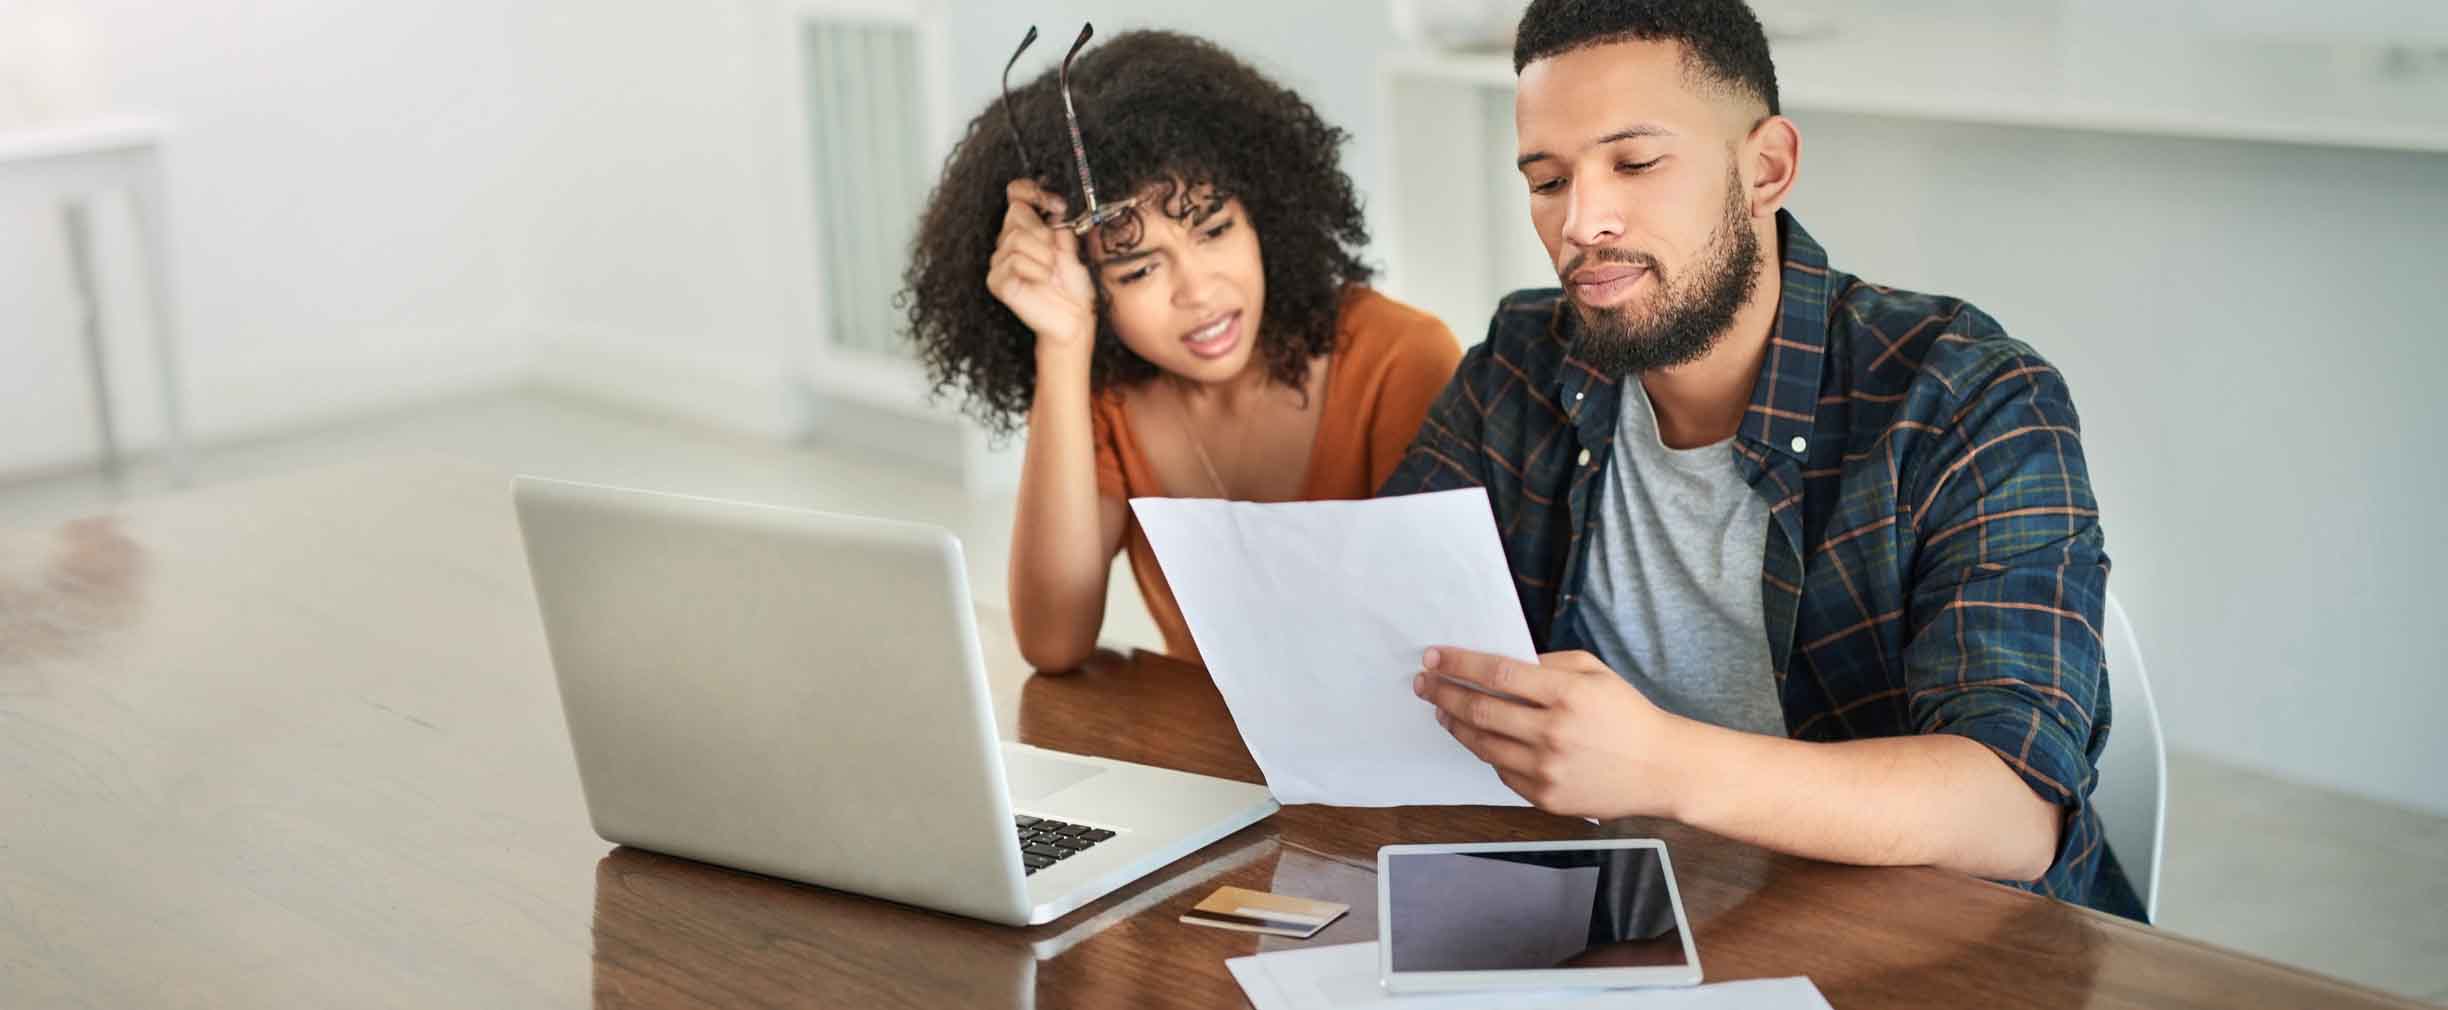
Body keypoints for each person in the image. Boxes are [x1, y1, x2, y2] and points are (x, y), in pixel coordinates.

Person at [1380, 0, 2139, 918]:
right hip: (1614, 912)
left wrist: (1657, 766)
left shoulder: (1967, 398)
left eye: (1635, 162)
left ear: (1765, 168)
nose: (1583, 222)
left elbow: (2009, 813)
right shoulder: (1526, 360)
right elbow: (1392, 622)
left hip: (1926, 941)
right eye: (1547, 180)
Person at [903, 28, 1462, 671]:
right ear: (1090, 286)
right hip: (1204, 759)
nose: (1199, 291)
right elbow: (1053, 643)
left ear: (1265, 215)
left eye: (1215, 230)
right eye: (1139, 270)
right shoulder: (1105, 397)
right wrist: (1062, 343)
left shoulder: (1400, 357)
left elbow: (1442, 636)